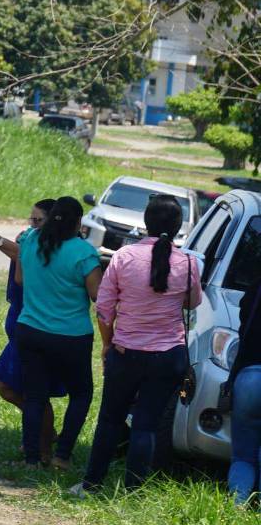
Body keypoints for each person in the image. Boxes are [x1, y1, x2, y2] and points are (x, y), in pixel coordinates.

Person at [70, 196, 202, 495]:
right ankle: (134, 491)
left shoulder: (124, 257)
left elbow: (104, 310)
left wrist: (107, 344)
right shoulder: (188, 263)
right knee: (146, 425)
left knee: (110, 420)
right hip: (168, 356)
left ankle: (91, 484)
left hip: (125, 352)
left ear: (146, 221)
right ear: (179, 226)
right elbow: (192, 302)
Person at [14, 196, 103, 469]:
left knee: (34, 397)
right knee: (81, 394)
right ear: (79, 223)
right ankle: (62, 455)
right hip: (71, 336)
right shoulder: (84, 252)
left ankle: (31, 459)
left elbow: (19, 279)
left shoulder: (30, 240)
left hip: (30, 329)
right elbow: (97, 295)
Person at [0, 199, 61, 463]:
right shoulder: (30, 239)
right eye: (31, 219)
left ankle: (44, 446)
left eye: (38, 220)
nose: (32, 224)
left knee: (13, 387)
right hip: (21, 322)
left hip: (34, 326)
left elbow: (25, 261)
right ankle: (40, 438)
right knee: (24, 390)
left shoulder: (52, 247)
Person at [226, 278, 261, 507]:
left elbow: (244, 328)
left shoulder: (256, 289)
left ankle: (236, 507)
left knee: (242, 455)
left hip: (249, 376)